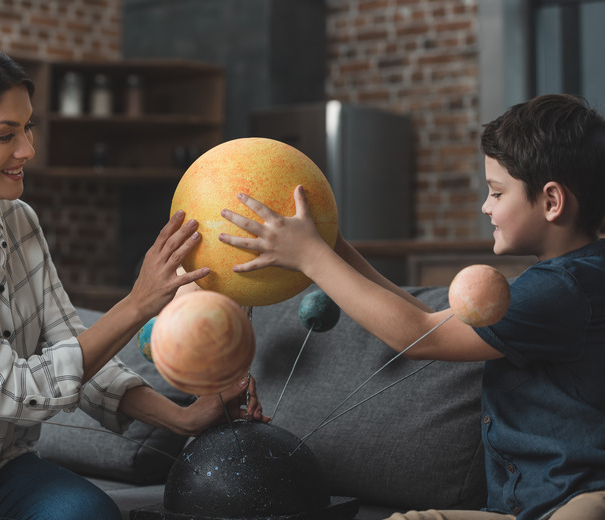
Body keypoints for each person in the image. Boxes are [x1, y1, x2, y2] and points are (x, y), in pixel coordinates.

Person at [0, 38, 268, 520]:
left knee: (89, 515)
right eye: (4, 135)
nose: (28, 149)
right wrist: (138, 303)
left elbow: (70, 345)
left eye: (28, 127)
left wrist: (181, 418)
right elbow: (16, 390)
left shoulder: (19, 221)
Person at [217, 94, 605, 519]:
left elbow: (416, 335)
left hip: (581, 503)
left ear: (552, 201)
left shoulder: (565, 289)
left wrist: (312, 257)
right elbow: (421, 320)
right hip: (526, 510)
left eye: (496, 192)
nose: (485, 206)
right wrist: (330, 244)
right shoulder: (568, 282)